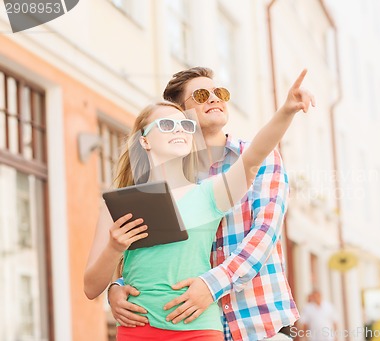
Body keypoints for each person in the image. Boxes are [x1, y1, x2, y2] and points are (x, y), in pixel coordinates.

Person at [84, 69, 314, 340]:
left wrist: (286, 111)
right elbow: (134, 269)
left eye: (220, 93)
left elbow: (263, 228)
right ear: (144, 140)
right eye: (201, 95)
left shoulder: (209, 191)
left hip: (242, 322)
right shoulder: (123, 203)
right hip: (142, 329)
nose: (215, 100)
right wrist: (116, 282)